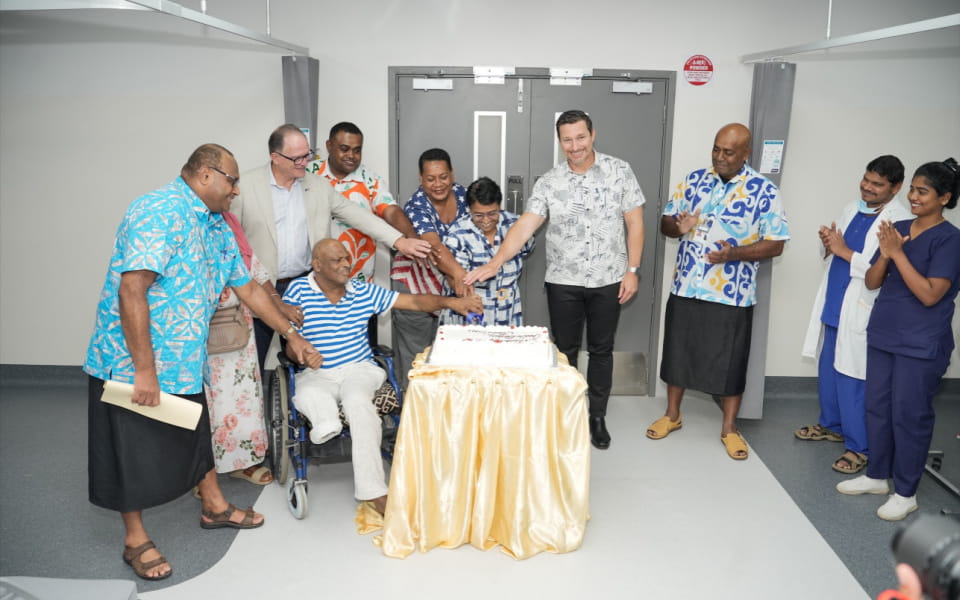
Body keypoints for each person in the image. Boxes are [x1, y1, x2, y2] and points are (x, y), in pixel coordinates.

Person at [83, 144, 321, 581]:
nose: (236, 190)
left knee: (196, 435)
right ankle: (135, 540)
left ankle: (213, 506)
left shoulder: (215, 225)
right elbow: (132, 289)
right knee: (129, 453)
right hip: (132, 362)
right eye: (231, 181)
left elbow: (247, 288)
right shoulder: (159, 211)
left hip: (186, 359)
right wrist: (144, 370)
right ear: (206, 175)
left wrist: (292, 335)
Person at [464, 110, 646, 450]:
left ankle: (597, 416)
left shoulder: (620, 171)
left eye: (580, 137)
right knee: (565, 351)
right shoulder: (549, 181)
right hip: (564, 281)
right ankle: (568, 413)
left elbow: (635, 223)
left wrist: (632, 271)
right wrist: (496, 261)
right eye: (567, 139)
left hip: (609, 278)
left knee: (602, 350)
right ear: (559, 141)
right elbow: (525, 225)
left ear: (593, 134)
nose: (574, 146)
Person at [282, 239, 482, 516]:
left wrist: (452, 302)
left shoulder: (361, 290)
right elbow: (289, 343)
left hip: (358, 368)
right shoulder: (298, 291)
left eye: (346, 259)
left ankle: (374, 491)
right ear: (316, 265)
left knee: (357, 402)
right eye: (337, 260)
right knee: (306, 393)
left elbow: (410, 300)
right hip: (317, 372)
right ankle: (326, 421)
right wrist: (301, 355)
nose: (345, 265)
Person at [230, 124, 430, 371]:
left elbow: (357, 215)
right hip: (259, 289)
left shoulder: (316, 185)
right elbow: (231, 240)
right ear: (275, 157)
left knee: (306, 362)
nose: (305, 162)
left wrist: (400, 241)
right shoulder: (244, 188)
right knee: (252, 366)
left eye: (307, 155)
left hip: (304, 288)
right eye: (298, 158)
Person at [646, 123, 790, 460]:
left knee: (730, 362)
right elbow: (666, 221)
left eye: (728, 152)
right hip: (687, 285)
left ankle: (729, 429)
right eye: (716, 149)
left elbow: (776, 244)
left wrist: (734, 254)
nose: (720, 157)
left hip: (731, 294)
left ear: (745, 153)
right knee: (678, 353)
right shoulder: (694, 180)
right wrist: (677, 227)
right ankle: (672, 415)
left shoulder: (763, 191)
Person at [837, 158, 960, 521]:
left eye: (923, 191)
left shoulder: (951, 241)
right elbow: (873, 281)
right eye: (913, 189)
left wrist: (897, 254)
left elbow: (929, 294)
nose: (913, 196)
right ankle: (877, 475)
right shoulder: (898, 228)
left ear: (945, 198)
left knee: (909, 415)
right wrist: (885, 254)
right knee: (877, 409)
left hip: (921, 343)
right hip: (885, 334)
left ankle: (905, 492)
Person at [799, 156, 911, 474]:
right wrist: (829, 244)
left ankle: (859, 446)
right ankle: (831, 425)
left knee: (854, 378)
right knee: (830, 370)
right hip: (836, 301)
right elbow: (838, 248)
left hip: (862, 308)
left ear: (896, 187)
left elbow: (883, 269)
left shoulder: (898, 220)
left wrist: (843, 250)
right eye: (866, 179)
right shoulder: (852, 207)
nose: (867, 187)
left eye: (877, 184)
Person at [203, 211, 297, 485]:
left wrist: (278, 304)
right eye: (230, 184)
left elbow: (255, 269)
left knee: (242, 395)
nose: (235, 191)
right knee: (208, 400)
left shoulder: (228, 222)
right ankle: (202, 472)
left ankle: (241, 461)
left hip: (237, 328)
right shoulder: (187, 224)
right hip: (200, 327)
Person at [390, 148, 472, 389]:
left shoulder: (462, 194)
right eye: (430, 178)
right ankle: (411, 418)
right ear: (420, 179)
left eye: (443, 177)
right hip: (415, 286)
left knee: (449, 354)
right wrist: (458, 274)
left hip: (449, 282)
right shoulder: (416, 206)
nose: (438, 184)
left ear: (452, 174)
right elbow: (434, 248)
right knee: (418, 358)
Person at [306, 121, 419, 282]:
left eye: (357, 150)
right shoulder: (308, 175)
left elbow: (391, 211)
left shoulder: (370, 180)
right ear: (329, 146)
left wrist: (411, 238)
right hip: (316, 276)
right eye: (344, 149)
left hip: (358, 279)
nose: (351, 155)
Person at [440, 176, 534, 326]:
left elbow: (527, 247)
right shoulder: (458, 233)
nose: (486, 220)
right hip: (471, 309)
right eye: (478, 215)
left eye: (492, 213)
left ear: (499, 206)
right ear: (469, 209)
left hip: (508, 309)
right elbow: (455, 278)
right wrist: (468, 300)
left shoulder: (515, 226)